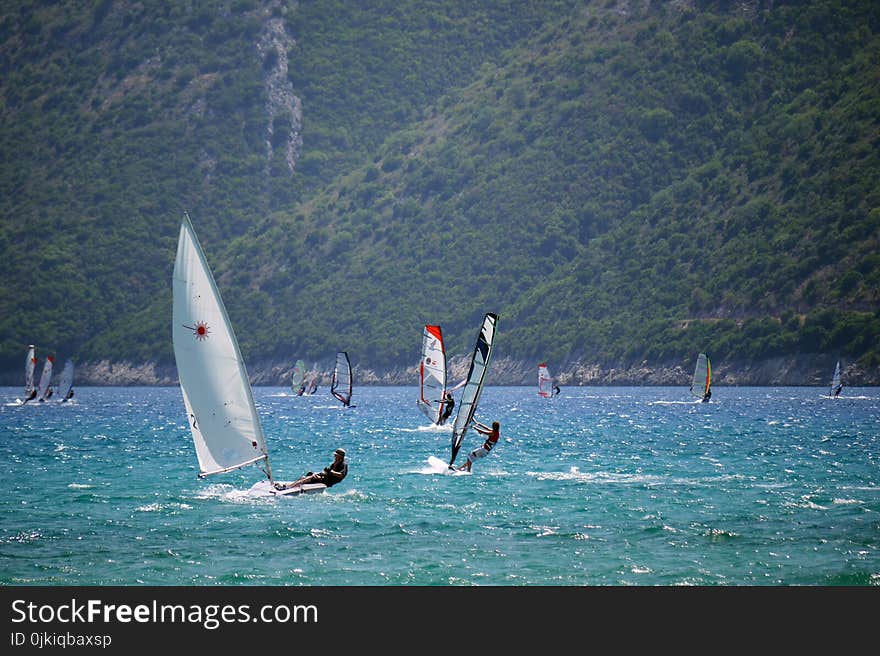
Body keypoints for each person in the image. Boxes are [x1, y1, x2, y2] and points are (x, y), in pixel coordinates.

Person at [274, 448, 348, 491]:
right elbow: (326, 472)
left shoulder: (343, 465)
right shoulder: (334, 463)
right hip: (324, 478)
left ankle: (287, 487)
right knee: (308, 475)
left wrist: (331, 472)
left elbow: (341, 475)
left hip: (328, 482)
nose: (335, 456)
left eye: (336, 455)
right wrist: (319, 474)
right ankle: (292, 486)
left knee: (310, 478)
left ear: (340, 457)